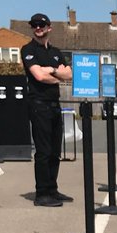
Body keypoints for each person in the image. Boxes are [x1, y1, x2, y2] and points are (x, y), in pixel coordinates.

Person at [21, 12, 73, 206]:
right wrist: (54, 72)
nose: (38, 28)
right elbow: (39, 76)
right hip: (38, 105)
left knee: (54, 151)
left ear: (49, 28)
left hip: (54, 105)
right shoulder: (28, 50)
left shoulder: (56, 52)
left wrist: (51, 71)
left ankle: (52, 189)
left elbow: (69, 74)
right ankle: (42, 193)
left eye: (41, 25)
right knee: (43, 151)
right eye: (34, 25)